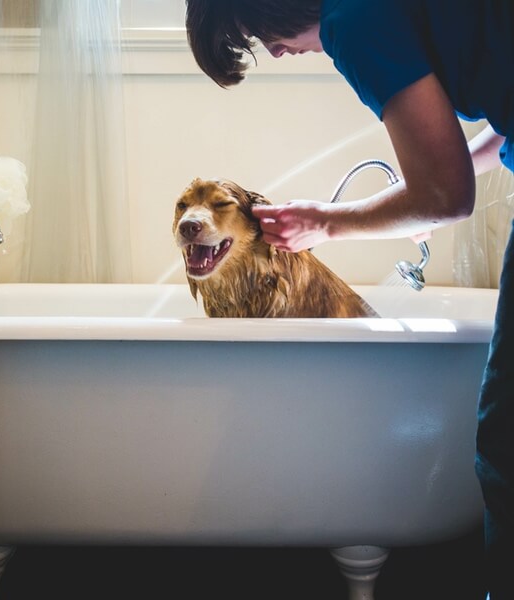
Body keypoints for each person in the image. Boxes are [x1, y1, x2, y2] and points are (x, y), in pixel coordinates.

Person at [184, 1, 513, 598]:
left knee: (508, 438)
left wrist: (327, 223)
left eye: (257, 31)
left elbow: (446, 195)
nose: (275, 50)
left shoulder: (352, 19)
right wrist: (435, 175)